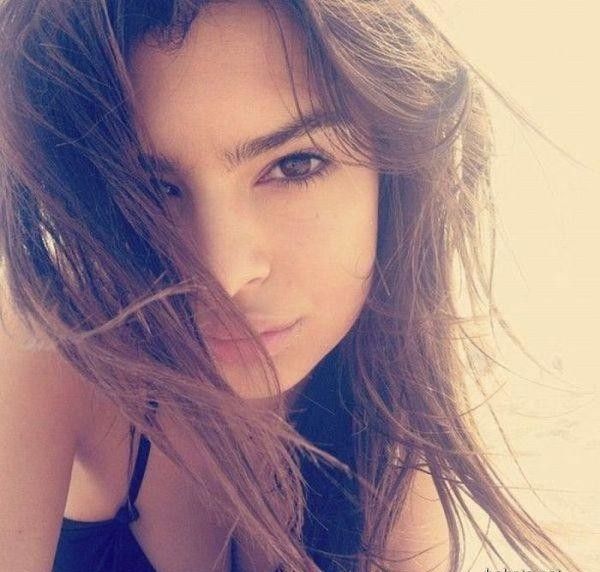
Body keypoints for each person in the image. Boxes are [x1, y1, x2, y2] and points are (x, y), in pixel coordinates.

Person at [0, 0, 583, 571]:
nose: (224, 276)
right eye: (151, 187)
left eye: (295, 165)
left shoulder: (403, 412)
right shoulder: (57, 339)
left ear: (395, 168)